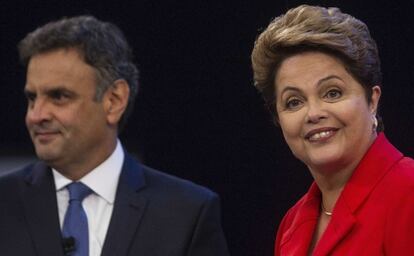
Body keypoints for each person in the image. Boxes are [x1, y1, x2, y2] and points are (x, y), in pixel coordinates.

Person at [0, 15, 230, 256]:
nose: (36, 116)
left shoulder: (187, 213)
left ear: (114, 101)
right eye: (32, 98)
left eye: (59, 96)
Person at [251, 4, 414, 255]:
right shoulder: (290, 225)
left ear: (372, 99)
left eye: (332, 93)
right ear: (279, 118)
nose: (314, 113)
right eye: (294, 102)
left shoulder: (408, 194)